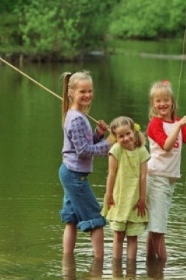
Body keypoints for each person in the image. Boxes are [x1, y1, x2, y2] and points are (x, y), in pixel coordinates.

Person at [58, 70, 112, 259]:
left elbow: (83, 145)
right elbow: (84, 151)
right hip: (75, 175)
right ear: (71, 92)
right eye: (83, 91)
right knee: (96, 220)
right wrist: (110, 143)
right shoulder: (77, 119)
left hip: (70, 172)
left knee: (71, 220)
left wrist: (98, 135)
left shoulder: (74, 115)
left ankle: (67, 262)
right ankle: (99, 266)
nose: (88, 95)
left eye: (90, 91)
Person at [146, 80, 186, 260]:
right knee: (158, 227)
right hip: (156, 176)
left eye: (166, 100)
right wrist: (179, 126)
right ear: (153, 104)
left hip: (169, 178)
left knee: (156, 225)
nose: (162, 104)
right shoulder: (155, 124)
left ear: (172, 102)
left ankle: (151, 261)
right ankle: (162, 265)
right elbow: (167, 146)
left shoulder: (177, 122)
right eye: (158, 101)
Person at [102, 116, 150, 261]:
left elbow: (143, 177)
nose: (125, 138)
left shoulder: (141, 151)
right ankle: (116, 269)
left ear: (133, 131)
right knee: (118, 235)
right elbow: (111, 174)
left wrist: (142, 198)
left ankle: (131, 267)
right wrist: (108, 195)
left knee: (132, 236)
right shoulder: (116, 150)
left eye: (128, 133)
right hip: (119, 198)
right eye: (120, 136)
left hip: (135, 199)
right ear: (115, 137)